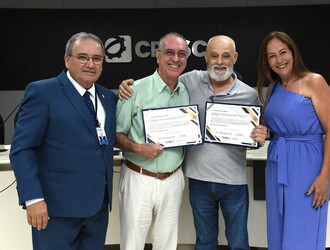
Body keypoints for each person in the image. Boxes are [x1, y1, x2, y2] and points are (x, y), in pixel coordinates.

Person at [119, 35, 268, 250]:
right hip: (199, 181)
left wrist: (259, 137)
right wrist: (127, 86)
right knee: (204, 242)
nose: (219, 61)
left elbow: (254, 136)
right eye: (214, 55)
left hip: (233, 182)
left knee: (239, 243)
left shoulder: (249, 94)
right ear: (205, 57)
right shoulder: (189, 80)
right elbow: (163, 77)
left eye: (226, 56)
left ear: (234, 58)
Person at [10, 32, 117, 250]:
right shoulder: (43, 92)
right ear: (67, 60)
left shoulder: (108, 97)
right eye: (83, 57)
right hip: (55, 210)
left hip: (97, 209)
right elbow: (22, 149)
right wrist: (33, 198)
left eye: (97, 59)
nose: (90, 64)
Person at [256, 31, 330, 250]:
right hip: (277, 164)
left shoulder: (314, 82)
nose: (278, 60)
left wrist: (324, 177)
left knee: (304, 231)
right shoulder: (274, 87)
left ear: (293, 52)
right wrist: (260, 133)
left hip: (307, 166)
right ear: (267, 61)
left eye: (283, 52)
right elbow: (266, 127)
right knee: (278, 230)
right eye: (271, 56)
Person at [115, 32, 190, 250]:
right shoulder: (134, 90)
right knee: (132, 244)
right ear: (157, 56)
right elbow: (116, 135)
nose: (175, 59)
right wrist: (137, 148)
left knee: (167, 244)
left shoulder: (187, 91)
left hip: (173, 179)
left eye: (181, 54)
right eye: (169, 53)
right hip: (139, 178)